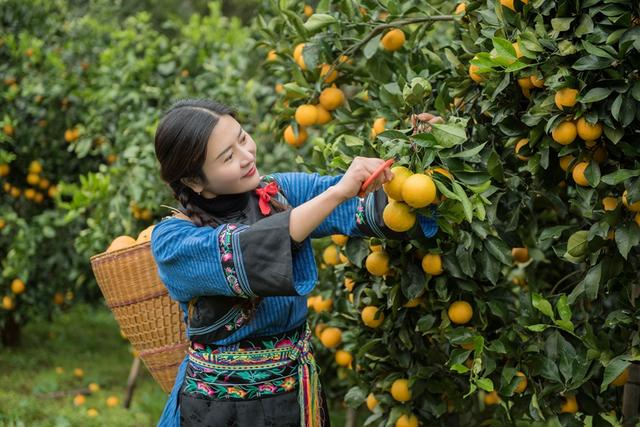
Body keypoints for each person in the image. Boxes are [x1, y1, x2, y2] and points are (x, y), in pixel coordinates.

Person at [150, 99, 439, 427]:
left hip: (294, 400)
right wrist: (334, 196)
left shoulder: (278, 193)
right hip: (218, 411)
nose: (247, 157)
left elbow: (362, 204)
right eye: (227, 157)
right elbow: (244, 252)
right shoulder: (172, 241)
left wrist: (421, 152)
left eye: (242, 138)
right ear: (193, 181)